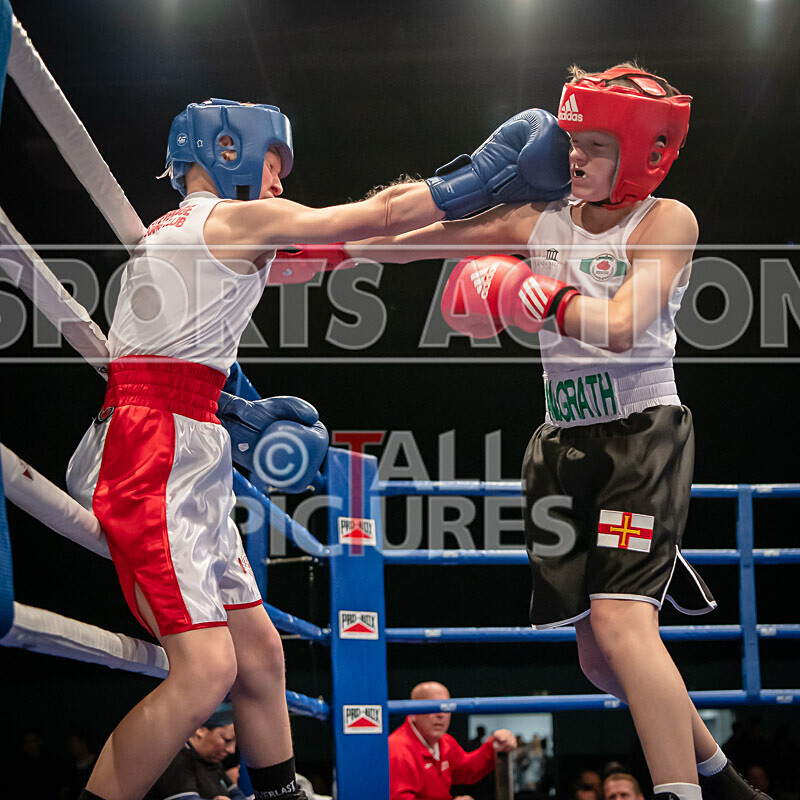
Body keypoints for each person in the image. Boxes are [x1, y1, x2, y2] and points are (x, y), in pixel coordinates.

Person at [286, 63, 772, 800]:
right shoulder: (536, 219)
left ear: (645, 153)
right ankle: (725, 783)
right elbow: (413, 237)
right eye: (573, 139)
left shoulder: (666, 220)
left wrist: (529, 291)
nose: (574, 156)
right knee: (598, 658)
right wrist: (320, 249)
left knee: (622, 625)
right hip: (561, 447)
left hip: (642, 441)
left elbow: (621, 324)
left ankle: (681, 790)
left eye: (597, 145)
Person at [64, 97, 568, 800]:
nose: (279, 185)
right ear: (231, 153)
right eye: (274, 167)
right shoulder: (232, 219)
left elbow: (358, 248)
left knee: (260, 655)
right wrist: (483, 177)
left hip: (182, 442)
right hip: (153, 452)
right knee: (205, 671)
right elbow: (379, 218)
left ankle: (278, 791)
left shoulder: (187, 232)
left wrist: (484, 229)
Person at [388, 681, 516, 800]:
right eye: (433, 707)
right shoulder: (398, 748)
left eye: (446, 708)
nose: (441, 714)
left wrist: (494, 745)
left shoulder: (445, 742)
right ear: (412, 713)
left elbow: (467, 770)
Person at [144, 705, 245, 800]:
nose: (231, 750)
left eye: (235, 743)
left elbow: (237, 795)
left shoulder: (213, 762)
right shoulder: (176, 759)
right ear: (200, 730)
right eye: (227, 740)